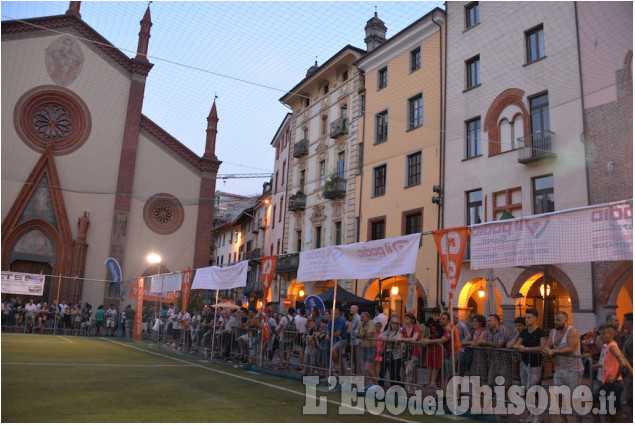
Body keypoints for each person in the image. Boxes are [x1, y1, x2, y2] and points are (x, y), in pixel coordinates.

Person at [542, 311, 584, 422]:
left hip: (574, 370)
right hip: (560, 369)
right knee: (559, 396)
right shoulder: (553, 332)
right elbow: (549, 345)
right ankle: (564, 419)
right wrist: (546, 349)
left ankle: (579, 421)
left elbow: (571, 349)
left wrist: (553, 352)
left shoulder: (572, 331)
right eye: (555, 320)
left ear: (566, 320)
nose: (555, 322)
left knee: (575, 398)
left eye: (558, 320)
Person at [513, 308, 546, 422]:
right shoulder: (524, 332)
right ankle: (530, 414)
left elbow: (542, 348)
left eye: (529, 318)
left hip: (535, 365)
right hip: (524, 364)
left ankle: (536, 414)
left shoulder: (540, 332)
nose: (526, 320)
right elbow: (516, 345)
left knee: (530, 391)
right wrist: (518, 345)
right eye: (526, 318)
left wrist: (525, 348)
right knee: (525, 391)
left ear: (536, 319)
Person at [591, 323, 629, 422]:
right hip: (607, 382)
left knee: (615, 412)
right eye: (600, 334)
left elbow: (623, 363)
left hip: (614, 383)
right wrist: (598, 366)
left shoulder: (612, 346)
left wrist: (615, 377)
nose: (602, 336)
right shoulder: (608, 346)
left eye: (604, 334)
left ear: (612, 334)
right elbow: (611, 363)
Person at [482, 314, 512, 389]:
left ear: (496, 321)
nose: (487, 323)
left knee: (504, 386)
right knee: (491, 383)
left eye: (489, 321)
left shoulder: (503, 329)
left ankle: (504, 400)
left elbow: (499, 345)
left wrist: (485, 343)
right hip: (493, 362)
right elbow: (486, 345)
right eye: (487, 321)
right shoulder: (488, 331)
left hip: (504, 362)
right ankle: (492, 400)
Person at [463, 314, 488, 385]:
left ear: (481, 322)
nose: (474, 323)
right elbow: (463, 342)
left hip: (482, 356)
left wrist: (472, 343)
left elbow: (478, 342)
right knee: (474, 375)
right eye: (473, 321)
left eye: (476, 321)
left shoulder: (484, 331)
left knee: (482, 375)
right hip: (474, 356)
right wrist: (472, 342)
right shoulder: (473, 332)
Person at [421, 306, 443, 387]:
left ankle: (433, 381)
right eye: (435, 315)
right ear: (432, 314)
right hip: (431, 343)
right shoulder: (430, 320)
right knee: (429, 363)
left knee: (436, 364)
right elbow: (425, 328)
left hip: (437, 344)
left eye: (438, 315)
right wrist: (422, 338)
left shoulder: (440, 322)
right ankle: (428, 380)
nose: (436, 317)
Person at [400, 312, 421, 394]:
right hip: (406, 352)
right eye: (405, 318)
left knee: (409, 369)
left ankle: (410, 389)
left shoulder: (416, 327)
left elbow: (414, 338)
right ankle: (410, 388)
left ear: (412, 320)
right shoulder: (404, 329)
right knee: (408, 370)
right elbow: (398, 336)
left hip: (414, 352)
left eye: (407, 319)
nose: (405, 320)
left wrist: (403, 339)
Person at [380, 317, 403, 387]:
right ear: (390, 324)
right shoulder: (388, 331)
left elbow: (397, 339)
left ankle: (395, 387)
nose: (395, 325)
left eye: (397, 323)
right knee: (382, 370)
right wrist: (389, 339)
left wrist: (388, 339)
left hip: (396, 354)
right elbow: (381, 336)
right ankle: (381, 385)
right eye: (393, 323)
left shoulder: (401, 330)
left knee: (395, 372)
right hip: (387, 353)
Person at [357, 311, 377, 384]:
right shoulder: (360, 323)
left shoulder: (371, 323)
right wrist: (362, 335)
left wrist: (362, 335)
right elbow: (355, 334)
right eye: (361, 317)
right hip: (364, 347)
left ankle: (376, 384)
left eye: (363, 317)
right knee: (367, 369)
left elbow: (369, 335)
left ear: (368, 317)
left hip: (371, 347)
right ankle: (370, 384)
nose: (361, 318)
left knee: (367, 368)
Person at [328, 308, 348, 374]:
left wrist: (330, 334)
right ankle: (342, 373)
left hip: (342, 339)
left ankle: (337, 365)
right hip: (335, 339)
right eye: (331, 314)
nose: (332, 316)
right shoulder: (330, 320)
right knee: (339, 357)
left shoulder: (341, 320)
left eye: (333, 314)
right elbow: (328, 331)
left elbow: (338, 333)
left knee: (332, 350)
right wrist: (329, 334)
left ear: (337, 314)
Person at [349, 305, 363, 375]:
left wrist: (359, 338)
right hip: (353, 341)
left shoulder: (358, 318)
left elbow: (360, 328)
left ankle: (359, 373)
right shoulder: (354, 318)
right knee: (354, 358)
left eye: (352, 308)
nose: (350, 309)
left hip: (357, 341)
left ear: (356, 309)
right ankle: (355, 373)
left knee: (358, 359)